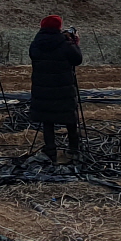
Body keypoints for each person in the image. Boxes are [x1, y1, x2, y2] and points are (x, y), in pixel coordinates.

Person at [29, 14, 82, 164]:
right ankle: (73, 150)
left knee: (47, 120)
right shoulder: (65, 44)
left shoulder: (35, 44)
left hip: (42, 89)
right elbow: (77, 59)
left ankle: (50, 151)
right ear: (59, 27)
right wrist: (74, 42)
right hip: (63, 89)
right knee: (70, 118)